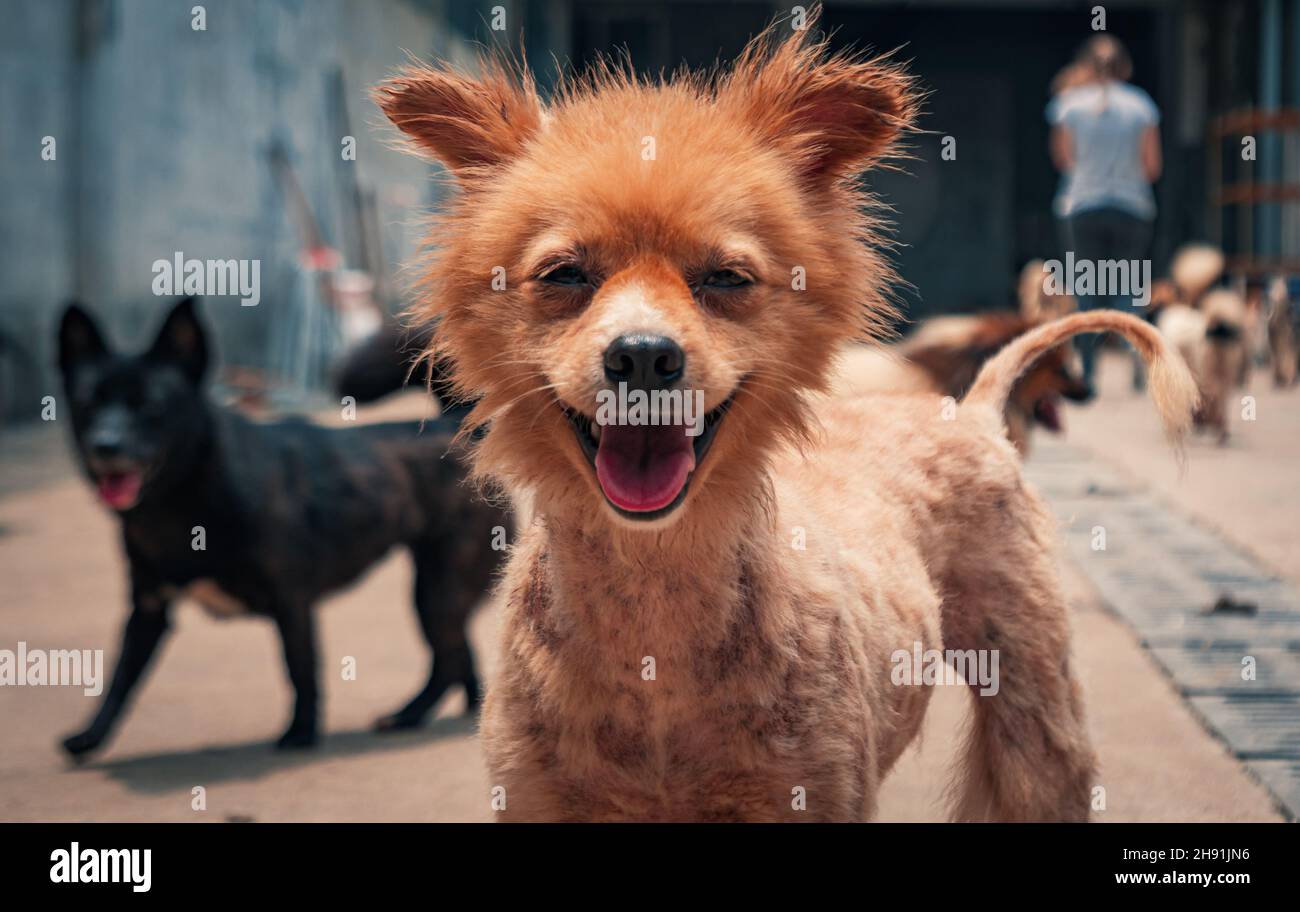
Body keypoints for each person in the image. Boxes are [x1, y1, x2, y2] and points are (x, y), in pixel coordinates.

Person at [1048, 35, 1162, 389]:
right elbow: (1152, 166)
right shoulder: (1142, 106)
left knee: (1086, 285)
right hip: (1133, 206)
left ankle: (1088, 368)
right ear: (1124, 67)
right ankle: (1137, 363)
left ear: (1086, 66)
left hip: (1082, 205)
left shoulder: (1068, 105)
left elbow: (1062, 159)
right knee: (1128, 283)